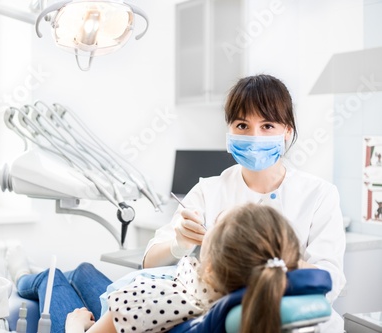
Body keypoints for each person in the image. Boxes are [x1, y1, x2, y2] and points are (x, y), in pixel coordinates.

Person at [142, 75, 346, 308]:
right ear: (229, 130)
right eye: (242, 126)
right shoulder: (208, 191)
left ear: (287, 131)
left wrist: (269, 262)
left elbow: (329, 281)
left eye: (267, 126)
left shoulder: (319, 194)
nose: (254, 137)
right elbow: (149, 264)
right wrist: (179, 244)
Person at [64, 203, 303, 333]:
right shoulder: (262, 294)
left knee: (51, 279)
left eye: (215, 226)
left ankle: (26, 277)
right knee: (82, 271)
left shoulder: (150, 301)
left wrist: (75, 324)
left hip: (116, 318)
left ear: (209, 267)